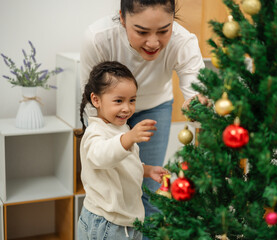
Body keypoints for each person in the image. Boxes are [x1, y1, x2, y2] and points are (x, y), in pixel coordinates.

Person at [80, 0, 208, 231]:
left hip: (155, 105)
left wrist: (198, 105)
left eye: (163, 31)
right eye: (141, 31)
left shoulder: (183, 41)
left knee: (149, 191)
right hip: (107, 113)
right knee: (110, 189)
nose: (153, 42)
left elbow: (198, 97)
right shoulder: (99, 38)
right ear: (122, 18)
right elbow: (91, 98)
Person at [77, 61, 168, 240]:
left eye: (132, 100)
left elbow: (125, 164)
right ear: (96, 100)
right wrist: (129, 138)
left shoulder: (121, 129)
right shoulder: (95, 133)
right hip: (107, 223)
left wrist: (148, 170)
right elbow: (102, 156)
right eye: (119, 101)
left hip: (127, 221)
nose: (127, 108)